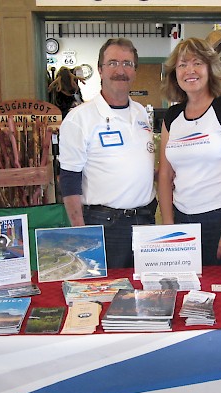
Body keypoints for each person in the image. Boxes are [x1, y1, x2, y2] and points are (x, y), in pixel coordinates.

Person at [58, 38, 157, 269]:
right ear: (100, 70)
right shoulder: (80, 118)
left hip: (146, 221)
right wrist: (82, 232)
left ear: (135, 71)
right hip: (106, 226)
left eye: (127, 64)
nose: (120, 70)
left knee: (145, 293)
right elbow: (70, 178)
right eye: (113, 63)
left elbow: (135, 163)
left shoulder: (141, 113)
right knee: (108, 293)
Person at [158, 37, 221, 266]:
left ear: (210, 68)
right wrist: (168, 225)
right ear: (174, 74)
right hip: (182, 221)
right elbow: (164, 174)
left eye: (197, 63)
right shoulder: (172, 117)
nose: (189, 70)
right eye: (182, 65)